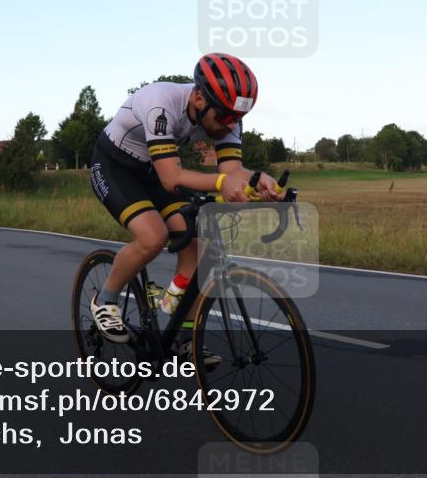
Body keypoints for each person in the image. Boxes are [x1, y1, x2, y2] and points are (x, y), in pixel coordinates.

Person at [88, 53, 283, 366]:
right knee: (153, 237)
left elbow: (232, 170)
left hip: (154, 171)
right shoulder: (160, 102)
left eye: (237, 118)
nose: (230, 125)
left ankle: (183, 336)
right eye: (225, 117)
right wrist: (221, 184)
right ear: (199, 98)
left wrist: (260, 180)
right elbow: (172, 178)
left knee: (196, 241)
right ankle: (105, 299)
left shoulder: (227, 116)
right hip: (115, 167)